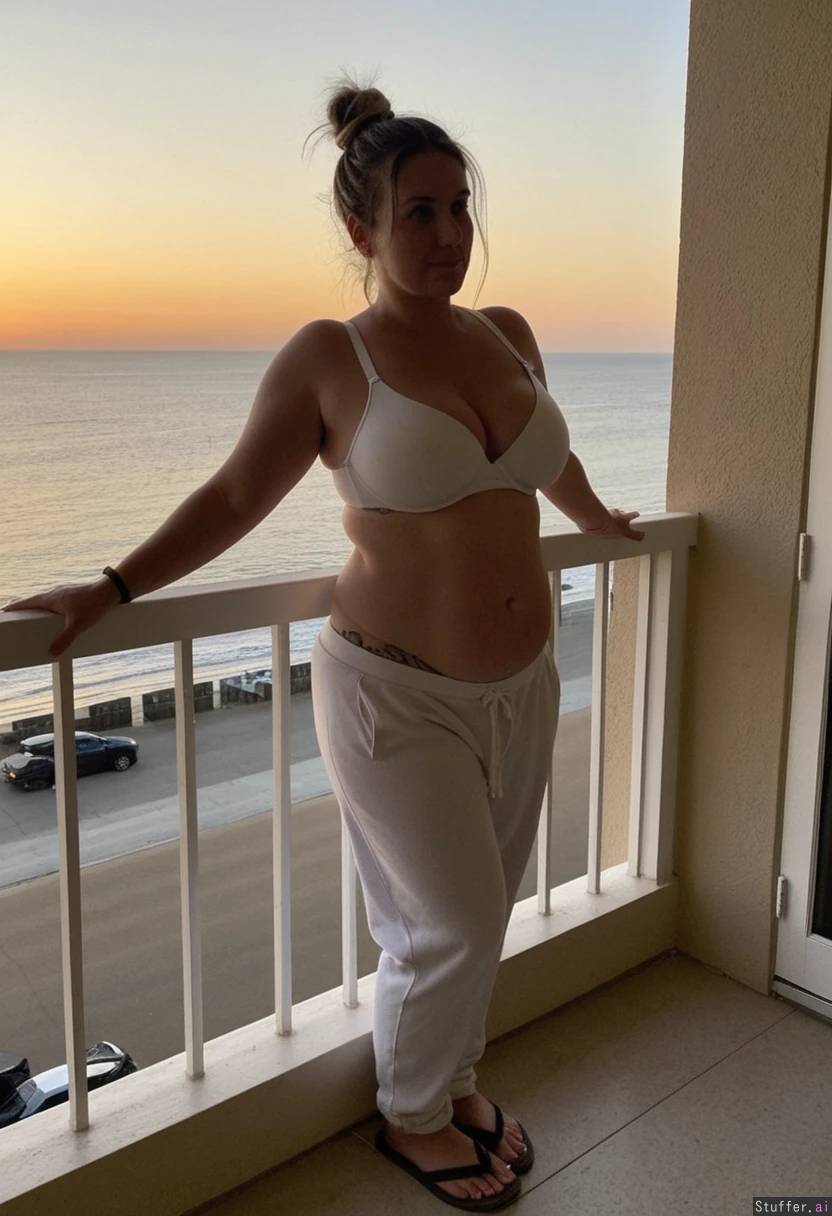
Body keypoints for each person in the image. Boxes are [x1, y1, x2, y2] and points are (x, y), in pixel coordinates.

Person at [2, 80, 644, 1212]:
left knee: (482, 913)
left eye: (460, 208)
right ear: (361, 230)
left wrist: (599, 520)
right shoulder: (330, 357)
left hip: (522, 682)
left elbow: (550, 460)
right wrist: (109, 588)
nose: (448, 235)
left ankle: (454, 1082)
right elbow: (233, 494)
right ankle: (413, 1115)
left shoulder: (508, 334)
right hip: (394, 693)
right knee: (446, 921)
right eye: (419, 213)